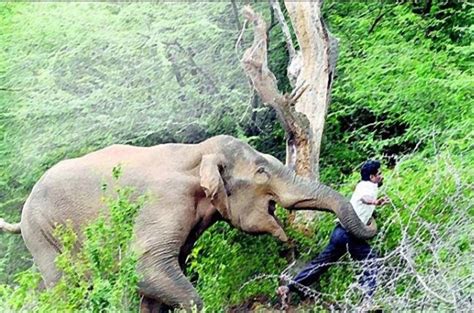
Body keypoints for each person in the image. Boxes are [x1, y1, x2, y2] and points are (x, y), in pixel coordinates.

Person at [277, 160, 390, 307]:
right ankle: (366, 302)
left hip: (340, 233)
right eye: (379, 174)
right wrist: (375, 202)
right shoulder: (368, 188)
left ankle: (288, 288)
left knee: (321, 264)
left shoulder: (365, 185)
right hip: (349, 235)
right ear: (372, 177)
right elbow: (364, 198)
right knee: (372, 260)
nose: (381, 176)